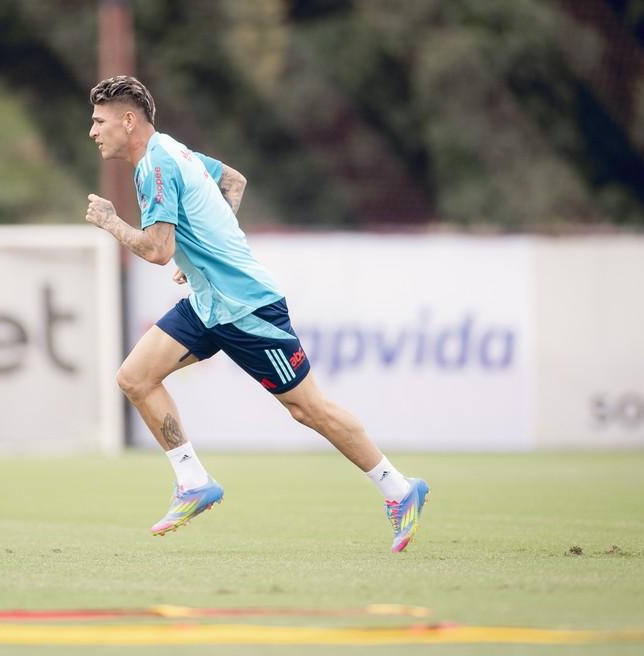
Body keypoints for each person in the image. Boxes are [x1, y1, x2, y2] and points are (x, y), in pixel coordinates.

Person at [85, 75, 429, 553]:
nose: (93, 131)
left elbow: (159, 251)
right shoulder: (172, 150)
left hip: (247, 307)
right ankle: (193, 482)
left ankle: (399, 488)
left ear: (128, 120)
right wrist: (209, 248)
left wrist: (110, 222)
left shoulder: (155, 166)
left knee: (307, 409)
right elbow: (232, 181)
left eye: (100, 121)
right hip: (210, 305)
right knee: (135, 377)